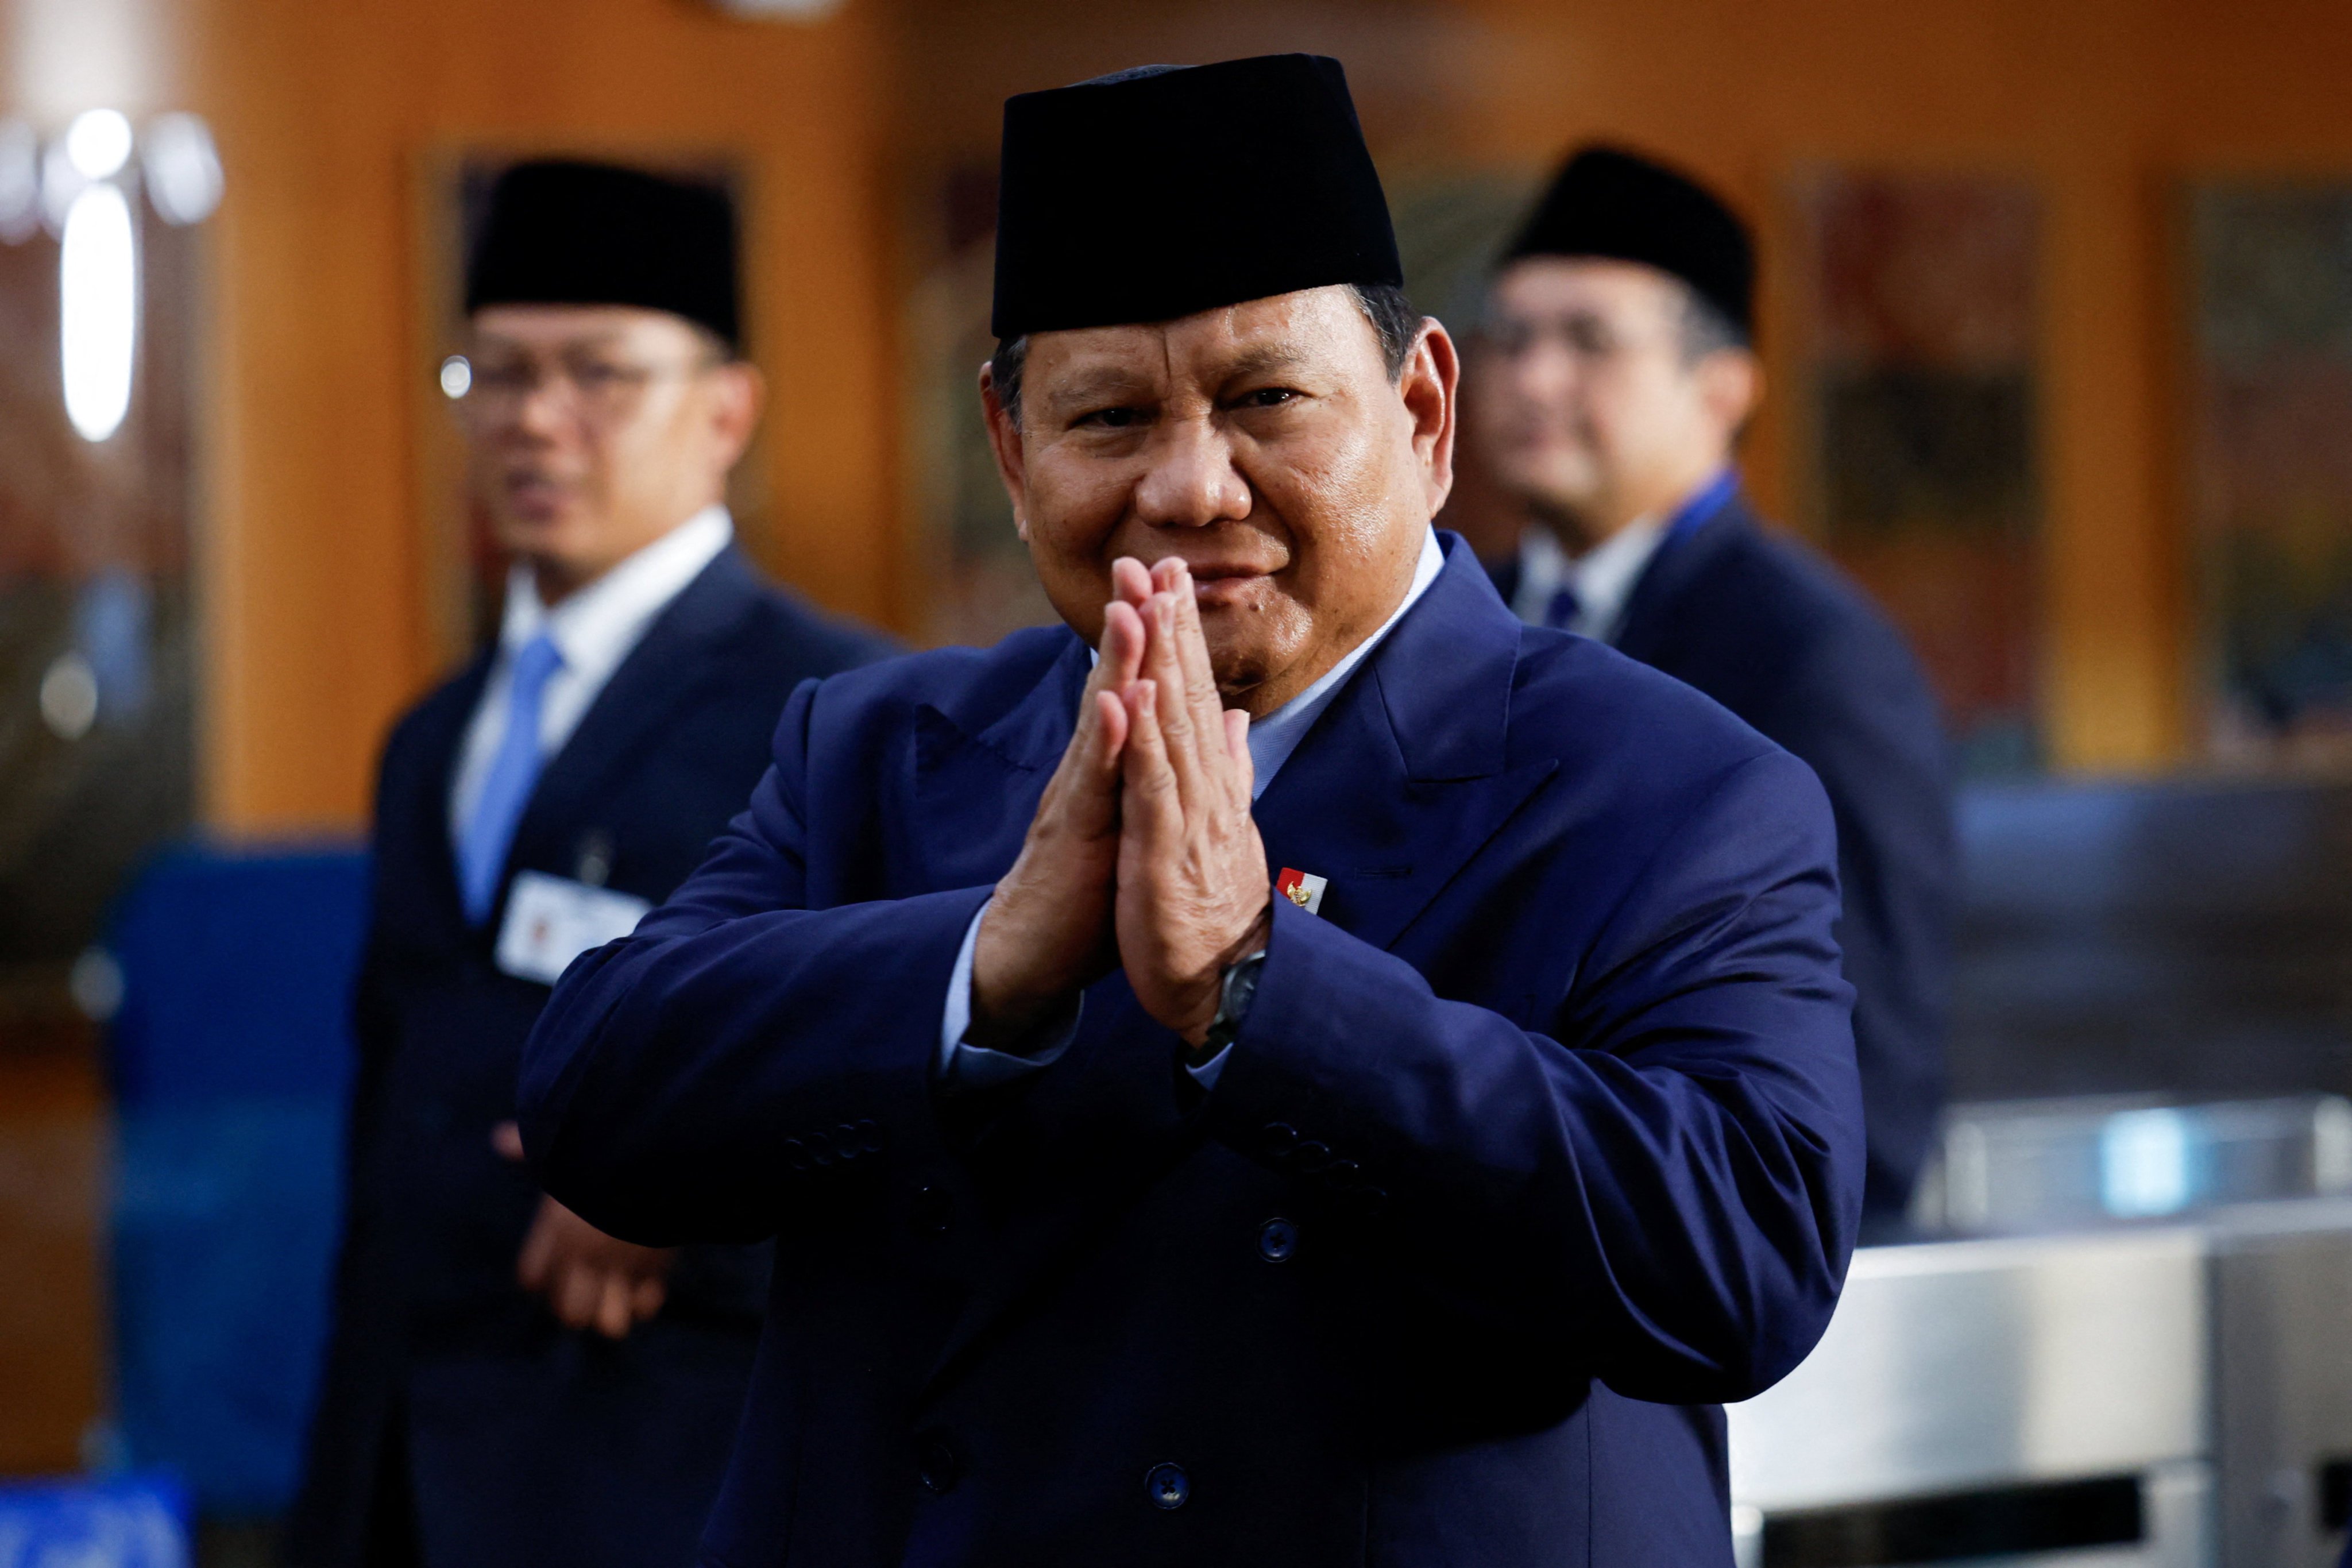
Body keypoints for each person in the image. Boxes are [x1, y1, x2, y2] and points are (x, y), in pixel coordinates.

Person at [519, 58, 1862, 1566]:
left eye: (1267, 400)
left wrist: (1261, 990)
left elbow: (1746, 1260)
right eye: (1105, 417)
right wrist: (985, 964)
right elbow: (597, 1096)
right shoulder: (883, 746)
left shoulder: (1666, 786)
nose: (1191, 485)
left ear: (1422, 412)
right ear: (1014, 452)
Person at [284, 159, 891, 1568]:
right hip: (400, 1462)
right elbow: (397, 1107)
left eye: (598, 375)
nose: (534, 420)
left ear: (725, 409)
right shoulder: (430, 736)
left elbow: (919, 1091)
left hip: (660, 1461)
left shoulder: (840, 715)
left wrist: (692, 1194)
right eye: (493, 375)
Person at [1469, 145, 1955, 1233]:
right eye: (1514, 336)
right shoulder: (1468, 621)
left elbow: (1868, 1080)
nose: (1534, 377)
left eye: (1590, 340)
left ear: (1723, 389)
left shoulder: (1813, 658)